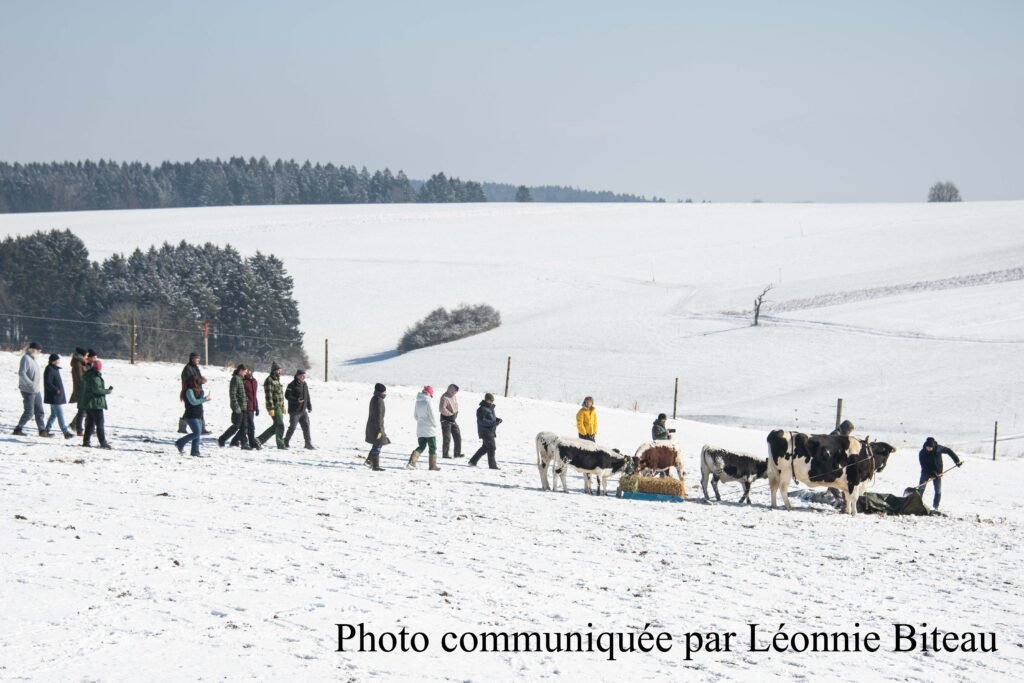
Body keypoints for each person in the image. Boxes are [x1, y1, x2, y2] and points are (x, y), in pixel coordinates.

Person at [917, 437, 962, 510]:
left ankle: (936, 506)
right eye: (927, 447)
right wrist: (932, 473)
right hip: (926, 472)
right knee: (921, 489)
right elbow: (924, 466)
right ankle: (917, 504)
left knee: (938, 491)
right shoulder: (922, 453)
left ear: (933, 446)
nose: (928, 449)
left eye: (930, 447)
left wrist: (957, 461)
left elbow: (949, 451)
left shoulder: (938, 449)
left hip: (938, 473)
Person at [14, 342, 48, 437]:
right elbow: (22, 373)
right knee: (29, 412)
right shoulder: (26, 358)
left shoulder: (33, 359)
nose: (39, 352)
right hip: (28, 390)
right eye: (38, 350)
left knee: (40, 411)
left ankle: (42, 431)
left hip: (36, 390)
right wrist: (31, 384)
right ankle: (18, 429)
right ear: (33, 349)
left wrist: (35, 386)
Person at [80, 358, 113, 449]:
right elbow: (96, 390)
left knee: (90, 423)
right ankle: (103, 442)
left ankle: (86, 441)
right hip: (95, 403)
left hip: (90, 403)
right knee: (100, 423)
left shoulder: (89, 375)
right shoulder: (95, 377)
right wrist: (107, 391)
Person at [176, 375, 211, 457]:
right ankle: (180, 443)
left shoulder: (197, 389)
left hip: (198, 414)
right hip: (190, 415)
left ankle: (195, 452)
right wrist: (204, 399)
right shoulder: (189, 391)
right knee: (197, 433)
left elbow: (199, 399)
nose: (199, 383)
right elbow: (193, 402)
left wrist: (205, 398)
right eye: (198, 381)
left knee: (197, 434)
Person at [43, 353, 75, 439]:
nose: (59, 361)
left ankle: (46, 431)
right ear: (53, 361)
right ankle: (65, 432)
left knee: (54, 415)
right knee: (60, 414)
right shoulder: (49, 369)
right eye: (57, 360)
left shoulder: (54, 369)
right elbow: (48, 383)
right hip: (54, 397)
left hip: (57, 396)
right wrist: (56, 390)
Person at [408, 385, 440, 470]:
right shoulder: (428, 402)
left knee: (421, 446)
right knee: (433, 447)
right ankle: (432, 465)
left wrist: (421, 421)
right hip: (430, 430)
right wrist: (435, 425)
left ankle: (412, 462)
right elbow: (432, 416)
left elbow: (415, 416)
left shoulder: (418, 401)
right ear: (429, 394)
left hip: (420, 428)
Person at [257, 362, 287, 449]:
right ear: (274, 371)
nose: (280, 372)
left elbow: (280, 395)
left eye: (280, 370)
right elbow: (269, 395)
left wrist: (283, 406)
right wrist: (271, 408)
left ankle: (259, 439)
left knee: (276, 426)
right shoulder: (269, 380)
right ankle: (280, 444)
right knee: (280, 425)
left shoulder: (277, 380)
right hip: (274, 406)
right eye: (278, 370)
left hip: (279, 406)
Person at [179, 352, 210, 434]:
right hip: (190, 392)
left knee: (198, 409)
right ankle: (183, 427)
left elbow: (197, 379)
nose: (199, 360)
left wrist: (201, 380)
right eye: (197, 358)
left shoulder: (195, 367)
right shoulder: (187, 369)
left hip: (197, 390)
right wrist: (201, 380)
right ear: (192, 359)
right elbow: (191, 380)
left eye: (199, 358)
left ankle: (201, 428)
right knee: (190, 409)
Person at [218, 365, 249, 448]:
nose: (246, 373)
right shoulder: (235, 379)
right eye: (245, 371)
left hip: (244, 406)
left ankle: (235, 441)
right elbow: (233, 394)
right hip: (238, 407)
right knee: (236, 426)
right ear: (241, 370)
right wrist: (235, 406)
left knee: (245, 427)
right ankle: (222, 439)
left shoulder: (242, 379)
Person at [468, 393, 501, 469]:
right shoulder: (482, 409)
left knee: (485, 448)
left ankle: (473, 461)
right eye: (490, 400)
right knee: (492, 447)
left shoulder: (491, 408)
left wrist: (497, 420)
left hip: (491, 431)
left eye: (493, 400)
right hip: (485, 432)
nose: (492, 402)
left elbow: (491, 418)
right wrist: (493, 423)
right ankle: (492, 465)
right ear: (486, 400)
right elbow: (481, 421)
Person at [284, 369, 314, 449]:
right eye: (302, 375)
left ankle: (308, 443)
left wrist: (309, 406)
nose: (304, 377)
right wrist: (296, 400)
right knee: (293, 427)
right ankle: (285, 441)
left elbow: (307, 396)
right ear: (298, 376)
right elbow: (287, 396)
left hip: (303, 410)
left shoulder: (304, 384)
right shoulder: (291, 385)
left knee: (306, 426)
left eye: (304, 375)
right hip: (294, 410)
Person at [364, 383, 389, 471]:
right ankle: (375, 465)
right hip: (376, 427)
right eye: (384, 392)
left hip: (372, 425)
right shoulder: (379, 401)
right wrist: (379, 430)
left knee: (377, 443)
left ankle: (369, 461)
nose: (386, 393)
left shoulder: (374, 398)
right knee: (378, 444)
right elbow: (378, 416)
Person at [236, 366, 261, 450]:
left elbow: (254, 396)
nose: (247, 373)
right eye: (246, 371)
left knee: (251, 426)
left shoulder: (254, 381)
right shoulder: (243, 381)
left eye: (249, 371)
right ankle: (244, 442)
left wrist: (256, 407)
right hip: (245, 406)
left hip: (252, 407)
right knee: (245, 426)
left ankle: (252, 442)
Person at [69, 347, 91, 436]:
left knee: (83, 410)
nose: (87, 357)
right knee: (82, 410)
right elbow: (80, 378)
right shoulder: (78, 363)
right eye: (86, 355)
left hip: (83, 389)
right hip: (81, 390)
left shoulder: (81, 362)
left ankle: (74, 425)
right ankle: (78, 429)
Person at [439, 383, 462, 459]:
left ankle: (457, 453)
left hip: (453, 419)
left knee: (457, 435)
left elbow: (455, 405)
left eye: (455, 392)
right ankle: (445, 454)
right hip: (445, 420)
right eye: (454, 391)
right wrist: (450, 414)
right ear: (450, 390)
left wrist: (456, 413)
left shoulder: (453, 396)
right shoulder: (444, 397)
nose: (454, 393)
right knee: (447, 438)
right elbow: (442, 409)